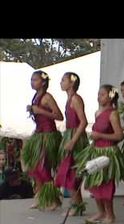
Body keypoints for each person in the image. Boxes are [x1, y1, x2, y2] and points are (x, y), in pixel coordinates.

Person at [75, 85, 124, 224]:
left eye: (102, 94)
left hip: (108, 152)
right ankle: (100, 212)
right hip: (96, 150)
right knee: (94, 182)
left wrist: (100, 135)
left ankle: (110, 215)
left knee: (106, 183)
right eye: (98, 94)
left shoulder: (113, 113)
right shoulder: (97, 113)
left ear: (110, 96)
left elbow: (119, 136)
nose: (99, 97)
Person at [22, 71, 63, 211]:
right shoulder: (36, 96)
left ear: (43, 82)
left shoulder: (47, 97)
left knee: (43, 168)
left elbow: (59, 116)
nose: (32, 82)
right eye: (31, 79)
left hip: (48, 135)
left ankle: (54, 199)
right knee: (33, 167)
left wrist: (40, 111)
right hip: (39, 134)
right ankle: (40, 197)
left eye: (35, 80)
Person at [55, 72, 89, 216]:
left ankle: (76, 205)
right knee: (69, 170)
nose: (61, 82)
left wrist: (73, 140)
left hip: (76, 137)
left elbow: (83, 121)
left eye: (63, 80)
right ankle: (77, 204)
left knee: (73, 170)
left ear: (72, 83)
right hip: (69, 134)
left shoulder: (76, 99)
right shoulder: (69, 99)